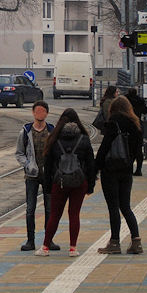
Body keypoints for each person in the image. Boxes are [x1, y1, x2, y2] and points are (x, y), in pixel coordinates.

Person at [38, 108, 96, 257]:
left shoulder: (54, 138)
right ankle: (73, 248)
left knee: (55, 215)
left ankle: (45, 247)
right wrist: (90, 185)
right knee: (74, 214)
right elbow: (91, 164)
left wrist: (48, 186)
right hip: (79, 182)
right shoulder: (83, 138)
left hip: (60, 182)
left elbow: (48, 165)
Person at [95, 95, 144, 254]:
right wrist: (132, 165)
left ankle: (115, 242)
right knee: (126, 207)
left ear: (113, 109)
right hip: (126, 171)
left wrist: (95, 167)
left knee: (113, 207)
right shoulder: (135, 124)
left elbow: (105, 147)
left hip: (110, 171)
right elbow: (138, 151)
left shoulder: (114, 122)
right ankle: (136, 241)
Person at [15, 100, 59, 251]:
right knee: (30, 209)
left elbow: (58, 152)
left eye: (43, 111)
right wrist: (27, 164)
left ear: (47, 113)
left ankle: (48, 240)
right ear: (33, 113)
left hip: (49, 176)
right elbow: (19, 153)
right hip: (31, 176)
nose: (40, 114)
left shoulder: (52, 131)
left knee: (49, 209)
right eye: (37, 111)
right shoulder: (25, 132)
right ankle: (30, 241)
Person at [124, 88, 147, 176]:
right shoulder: (140, 100)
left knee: (129, 149)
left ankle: (129, 168)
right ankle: (139, 169)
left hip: (127, 126)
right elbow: (146, 111)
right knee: (138, 149)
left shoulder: (125, 99)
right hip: (138, 125)